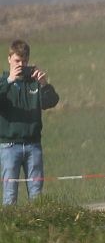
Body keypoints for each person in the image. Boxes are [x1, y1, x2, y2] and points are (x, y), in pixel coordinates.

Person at [0, 39, 59, 206]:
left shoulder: (34, 83)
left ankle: (37, 226)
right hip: (9, 147)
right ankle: (10, 229)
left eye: (24, 61)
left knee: (36, 195)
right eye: (17, 60)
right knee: (10, 195)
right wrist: (10, 80)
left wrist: (44, 84)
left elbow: (51, 102)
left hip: (33, 146)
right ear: (9, 59)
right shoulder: (3, 82)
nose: (21, 64)